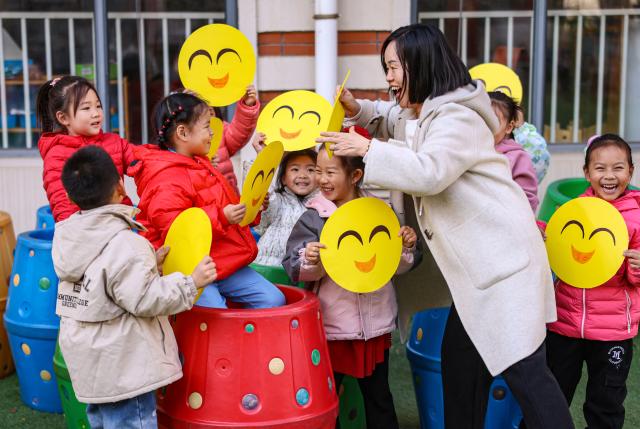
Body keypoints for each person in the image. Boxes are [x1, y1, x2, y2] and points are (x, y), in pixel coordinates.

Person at [316, 23, 574, 429]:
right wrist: (357, 109)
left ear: (420, 63)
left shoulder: (457, 117)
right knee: (461, 372)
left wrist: (367, 148)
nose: (389, 78)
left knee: (527, 375)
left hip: (503, 271)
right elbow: (393, 118)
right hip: (478, 279)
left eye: (393, 67)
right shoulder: (427, 113)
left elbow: (429, 171)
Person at [52, 145, 217, 428]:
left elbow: (101, 278)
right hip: (124, 367)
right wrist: (191, 283)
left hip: (90, 363)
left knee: (103, 422)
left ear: (69, 196)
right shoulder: (128, 244)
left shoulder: (68, 238)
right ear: (120, 186)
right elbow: (145, 299)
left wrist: (150, 261)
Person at [283, 144, 417, 429]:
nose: (322, 179)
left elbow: (395, 267)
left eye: (330, 172)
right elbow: (295, 267)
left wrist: (404, 247)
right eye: (319, 171)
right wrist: (309, 258)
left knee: (379, 397)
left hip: (375, 325)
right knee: (328, 398)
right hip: (334, 327)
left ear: (355, 175)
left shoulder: (379, 213)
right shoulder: (314, 216)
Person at [130, 92, 285, 309]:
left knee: (273, 299)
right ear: (183, 132)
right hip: (189, 270)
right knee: (216, 314)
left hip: (220, 260)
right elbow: (177, 230)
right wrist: (223, 216)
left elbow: (222, 201)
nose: (213, 132)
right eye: (206, 127)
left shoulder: (200, 163)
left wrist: (249, 207)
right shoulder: (165, 178)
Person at [546, 134, 640, 429]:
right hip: (565, 324)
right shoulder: (574, 211)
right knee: (550, 397)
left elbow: (635, 281)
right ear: (587, 173)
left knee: (606, 404)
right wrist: (539, 234)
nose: (609, 176)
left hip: (613, 332)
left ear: (631, 172)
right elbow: (555, 243)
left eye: (618, 168)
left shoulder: (636, 217)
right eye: (600, 169)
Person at [36, 75, 134, 222]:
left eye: (98, 106)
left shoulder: (114, 142)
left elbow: (144, 161)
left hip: (121, 225)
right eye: (86, 108)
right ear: (63, 118)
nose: (96, 113)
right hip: (85, 233)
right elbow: (64, 208)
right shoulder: (56, 156)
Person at [254, 148, 318, 266]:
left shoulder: (322, 206)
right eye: (295, 169)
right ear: (283, 178)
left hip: (298, 272)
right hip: (265, 267)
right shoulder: (278, 201)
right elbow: (263, 193)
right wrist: (263, 158)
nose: (303, 175)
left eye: (310, 170)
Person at [488, 91, 539, 212]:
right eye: (482, 120)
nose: (486, 127)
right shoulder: (469, 148)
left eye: (493, 122)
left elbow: (529, 198)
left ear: (509, 127)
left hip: (507, 219)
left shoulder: (518, 157)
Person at [208, 85, 260, 192]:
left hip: (229, 194)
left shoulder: (221, 130)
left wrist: (247, 106)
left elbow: (238, 133)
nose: (208, 117)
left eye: (210, 112)